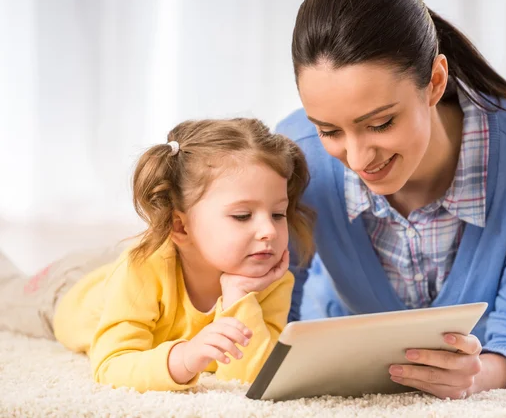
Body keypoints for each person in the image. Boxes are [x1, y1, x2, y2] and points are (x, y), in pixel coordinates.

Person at [276, 0, 506, 400]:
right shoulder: (298, 155)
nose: (359, 158)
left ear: (435, 82)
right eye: (329, 130)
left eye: (381, 123)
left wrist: (479, 375)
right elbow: (271, 302)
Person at [0, 118, 314, 393]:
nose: (269, 232)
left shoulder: (269, 280)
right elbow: (111, 364)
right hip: (70, 292)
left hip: (140, 257)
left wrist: (238, 298)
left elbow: (250, 378)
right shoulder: (142, 269)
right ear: (181, 225)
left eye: (277, 214)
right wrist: (185, 357)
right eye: (243, 215)